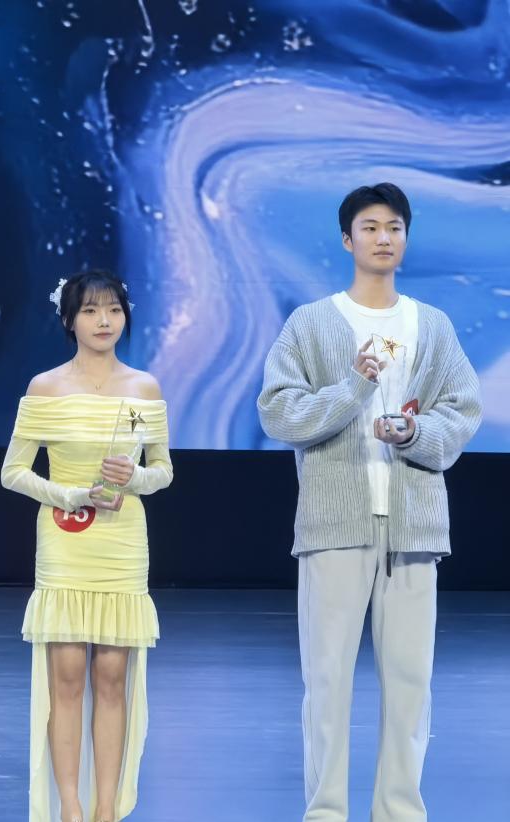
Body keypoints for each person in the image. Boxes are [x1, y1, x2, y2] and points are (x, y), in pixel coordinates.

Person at [257, 182, 482, 822]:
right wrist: (354, 385)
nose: (384, 238)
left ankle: (400, 811)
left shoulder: (430, 325)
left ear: (405, 238)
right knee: (327, 679)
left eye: (394, 228)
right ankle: (326, 811)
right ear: (347, 239)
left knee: (411, 683)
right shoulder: (311, 323)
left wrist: (414, 434)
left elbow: (462, 410)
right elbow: (279, 411)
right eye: (371, 227)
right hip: (334, 525)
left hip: (414, 527)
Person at [1, 269, 173, 822]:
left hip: (122, 542)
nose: (104, 321)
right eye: (91, 310)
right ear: (68, 320)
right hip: (65, 538)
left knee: (113, 677)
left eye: (114, 309)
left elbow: (163, 471)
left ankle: (106, 809)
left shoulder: (145, 388)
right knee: (68, 676)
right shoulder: (45, 388)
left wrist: (134, 478)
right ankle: (70, 808)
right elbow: (13, 472)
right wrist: (71, 493)